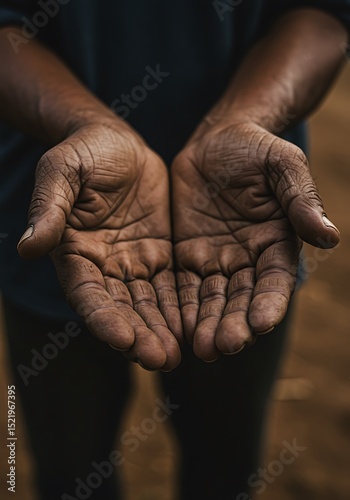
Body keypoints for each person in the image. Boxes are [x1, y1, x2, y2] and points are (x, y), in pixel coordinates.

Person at [0, 1, 348, 498]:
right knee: (69, 476)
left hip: (244, 225)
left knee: (225, 472)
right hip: (67, 222)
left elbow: (323, 13)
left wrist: (246, 117)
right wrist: (82, 123)